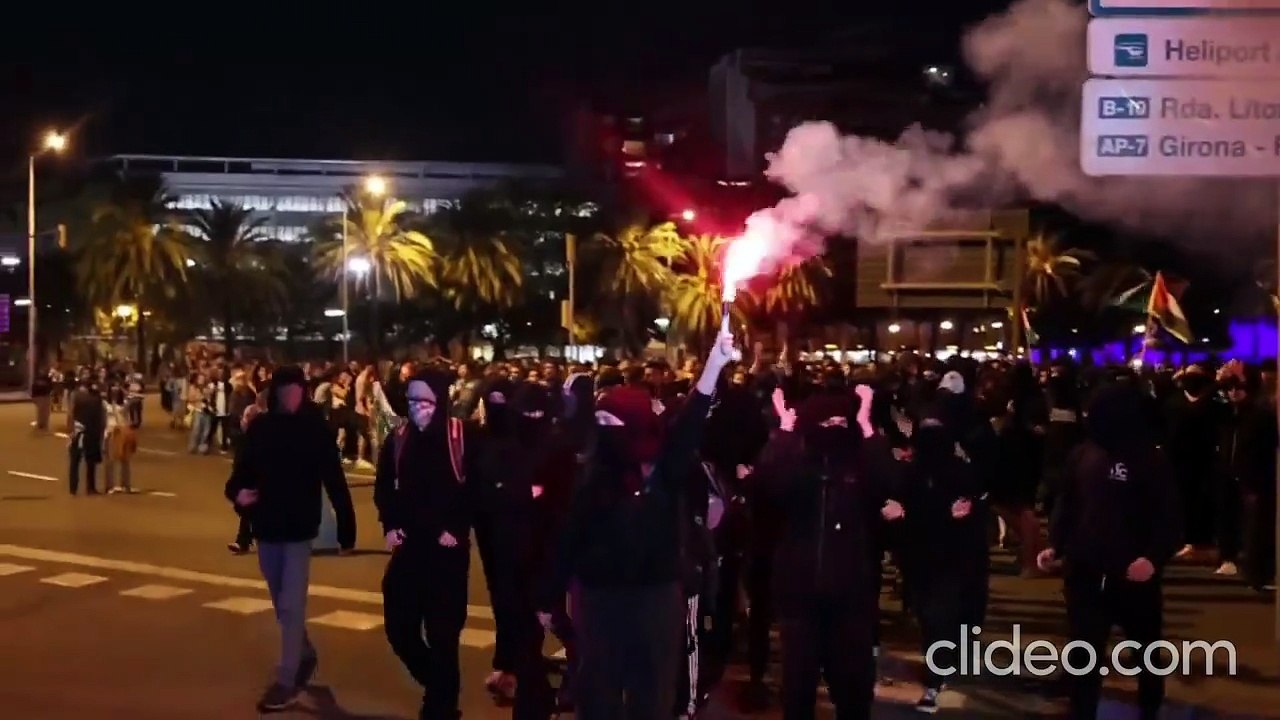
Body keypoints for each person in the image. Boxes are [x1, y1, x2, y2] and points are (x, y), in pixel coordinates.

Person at [538, 320, 736, 720]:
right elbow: (568, 537)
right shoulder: (592, 476)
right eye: (602, 421)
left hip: (655, 599)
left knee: (652, 694)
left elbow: (691, 423)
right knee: (599, 693)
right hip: (598, 600)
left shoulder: (664, 471)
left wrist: (714, 366)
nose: (606, 430)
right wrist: (549, 597)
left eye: (615, 422)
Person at [752, 380, 903, 720]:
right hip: (799, 595)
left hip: (851, 595)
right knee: (798, 686)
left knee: (852, 686)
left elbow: (891, 482)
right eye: (826, 424)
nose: (834, 430)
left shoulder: (860, 467)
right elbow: (768, 484)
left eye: (841, 423)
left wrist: (866, 425)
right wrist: (786, 431)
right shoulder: (798, 468)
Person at [1040, 380, 1182, 720]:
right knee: (1084, 647)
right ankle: (1082, 709)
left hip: (1134, 573)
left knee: (1145, 647)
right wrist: (1055, 545)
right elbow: (1067, 503)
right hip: (1085, 569)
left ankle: (1150, 706)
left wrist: (1152, 558)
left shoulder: (1151, 459)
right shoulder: (1083, 452)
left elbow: (1170, 518)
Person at [225, 365, 357, 713]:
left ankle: (286, 680)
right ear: (275, 394)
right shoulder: (261, 429)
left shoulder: (315, 431)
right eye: (285, 390)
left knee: (291, 603)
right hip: (267, 527)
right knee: (279, 596)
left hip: (299, 529)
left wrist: (347, 529)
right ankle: (302, 650)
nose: (291, 396)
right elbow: (241, 472)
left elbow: (335, 479)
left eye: (296, 389)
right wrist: (238, 494)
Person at [375, 368, 478, 720]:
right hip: (410, 548)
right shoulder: (399, 438)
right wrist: (390, 525)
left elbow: (475, 489)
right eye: (411, 400)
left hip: (447, 553)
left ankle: (441, 706)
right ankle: (441, 685)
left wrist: (456, 527)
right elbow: (384, 487)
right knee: (399, 628)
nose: (417, 407)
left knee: (443, 635)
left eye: (425, 401)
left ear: (440, 401)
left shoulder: (460, 437)